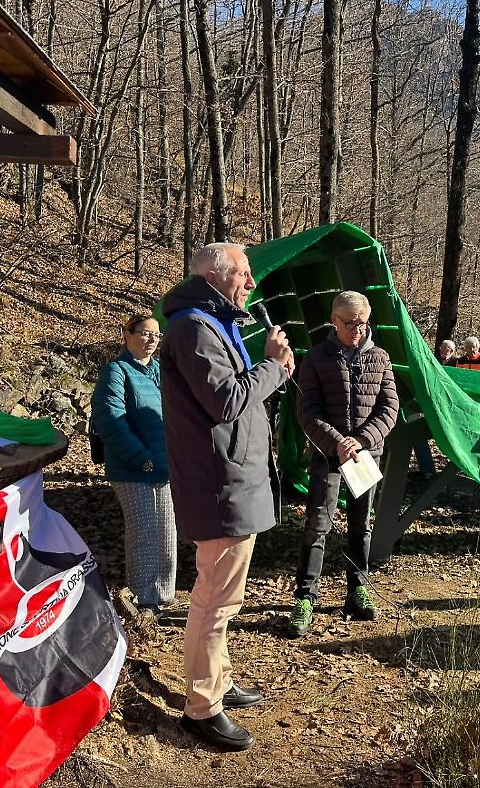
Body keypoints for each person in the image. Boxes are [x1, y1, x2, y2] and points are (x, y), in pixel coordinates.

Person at [161, 242, 293, 751]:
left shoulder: (214, 324)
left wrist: (268, 371)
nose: (252, 283)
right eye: (245, 273)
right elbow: (228, 400)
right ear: (217, 277)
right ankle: (201, 706)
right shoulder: (193, 328)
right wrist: (275, 367)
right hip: (218, 486)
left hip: (232, 479)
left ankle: (218, 679)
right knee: (215, 600)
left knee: (224, 597)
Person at [290, 291, 400, 636]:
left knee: (360, 524)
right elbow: (308, 413)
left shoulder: (381, 358)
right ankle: (306, 596)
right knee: (317, 525)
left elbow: (389, 408)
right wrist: (337, 442)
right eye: (349, 322)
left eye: (362, 323)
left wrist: (361, 440)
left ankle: (357, 589)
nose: (356, 329)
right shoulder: (316, 359)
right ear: (334, 320)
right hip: (328, 457)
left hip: (366, 456)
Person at [91, 313, 175, 613]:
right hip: (132, 468)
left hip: (164, 466)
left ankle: (163, 597)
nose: (152, 340)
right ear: (126, 335)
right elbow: (111, 421)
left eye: (156, 335)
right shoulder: (116, 371)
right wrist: (142, 459)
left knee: (166, 531)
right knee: (144, 532)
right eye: (144, 333)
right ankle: (142, 599)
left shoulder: (160, 372)